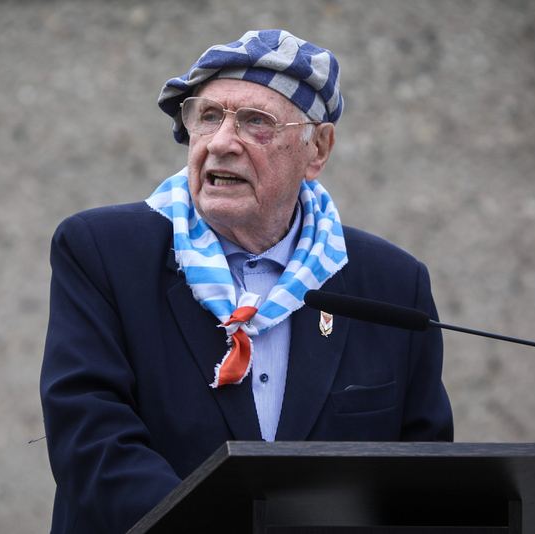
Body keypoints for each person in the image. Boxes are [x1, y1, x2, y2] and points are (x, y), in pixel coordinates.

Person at [40, 30, 453, 534]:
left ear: (316, 150)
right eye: (209, 116)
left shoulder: (392, 284)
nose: (220, 143)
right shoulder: (102, 251)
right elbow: (90, 436)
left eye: (256, 122)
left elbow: (423, 471)